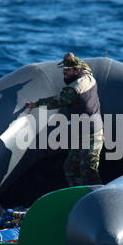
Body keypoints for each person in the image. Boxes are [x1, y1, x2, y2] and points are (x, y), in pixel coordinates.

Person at [26, 53, 104, 186]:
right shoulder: (88, 75)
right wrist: (71, 58)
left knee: (90, 171)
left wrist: (36, 104)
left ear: (76, 71)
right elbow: (84, 65)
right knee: (70, 168)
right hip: (81, 135)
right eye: (64, 71)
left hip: (92, 135)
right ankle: (78, 194)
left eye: (67, 71)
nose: (64, 74)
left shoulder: (73, 89)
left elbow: (55, 102)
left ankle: (98, 197)